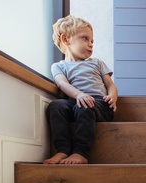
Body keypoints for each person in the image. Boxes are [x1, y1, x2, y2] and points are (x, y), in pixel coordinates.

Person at [44, 15, 118, 164]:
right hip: (74, 102)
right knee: (55, 106)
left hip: (99, 104)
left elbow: (110, 84)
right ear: (66, 39)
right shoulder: (59, 66)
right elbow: (62, 83)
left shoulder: (97, 63)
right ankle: (63, 150)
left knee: (84, 106)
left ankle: (80, 152)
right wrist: (79, 95)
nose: (90, 44)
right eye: (85, 38)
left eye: (92, 41)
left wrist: (113, 97)